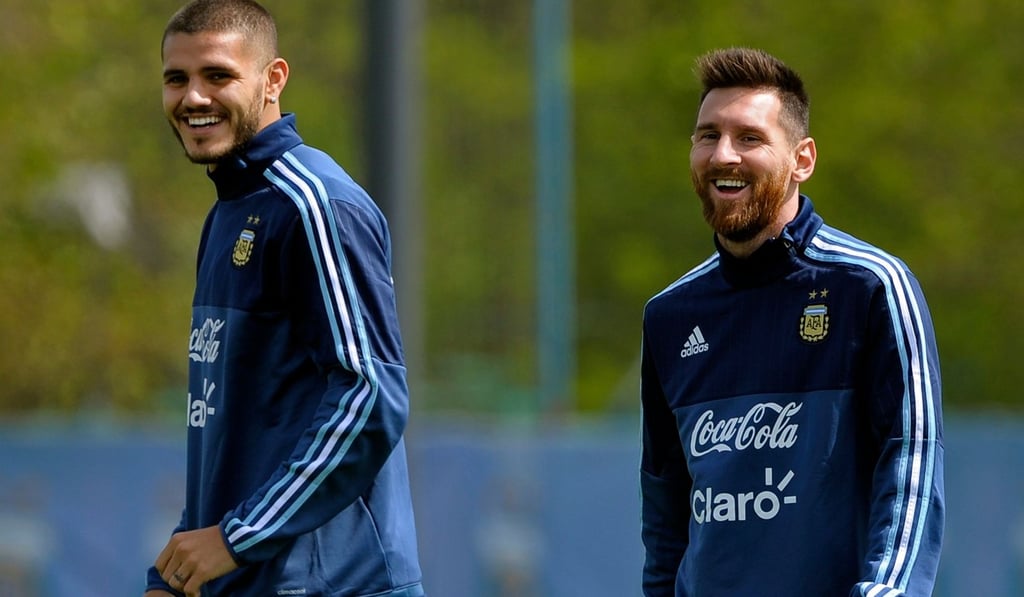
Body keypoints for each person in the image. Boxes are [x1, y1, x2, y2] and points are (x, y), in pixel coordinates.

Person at [639, 47, 944, 597]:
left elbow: (912, 462)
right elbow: (665, 506)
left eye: (749, 138)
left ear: (802, 159)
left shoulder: (871, 287)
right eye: (708, 135)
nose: (723, 155)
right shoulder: (668, 315)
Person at [146, 1, 424, 595]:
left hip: (335, 584)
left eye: (218, 75)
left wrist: (235, 538)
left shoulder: (314, 204)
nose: (194, 97)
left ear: (272, 79)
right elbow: (235, 432)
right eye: (177, 79)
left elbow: (371, 396)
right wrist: (174, 574)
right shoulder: (228, 214)